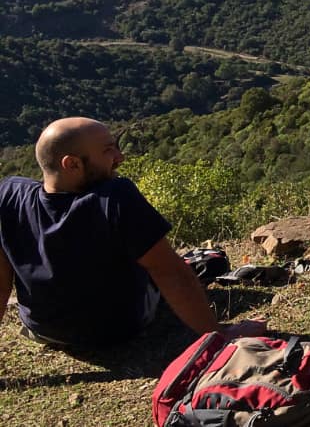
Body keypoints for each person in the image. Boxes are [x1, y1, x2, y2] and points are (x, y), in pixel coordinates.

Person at [0, 117, 264, 349]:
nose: (119, 157)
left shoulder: (9, 195)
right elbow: (171, 275)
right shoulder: (114, 197)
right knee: (170, 268)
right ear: (72, 164)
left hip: (43, 330)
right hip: (117, 329)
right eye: (108, 151)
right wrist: (220, 334)